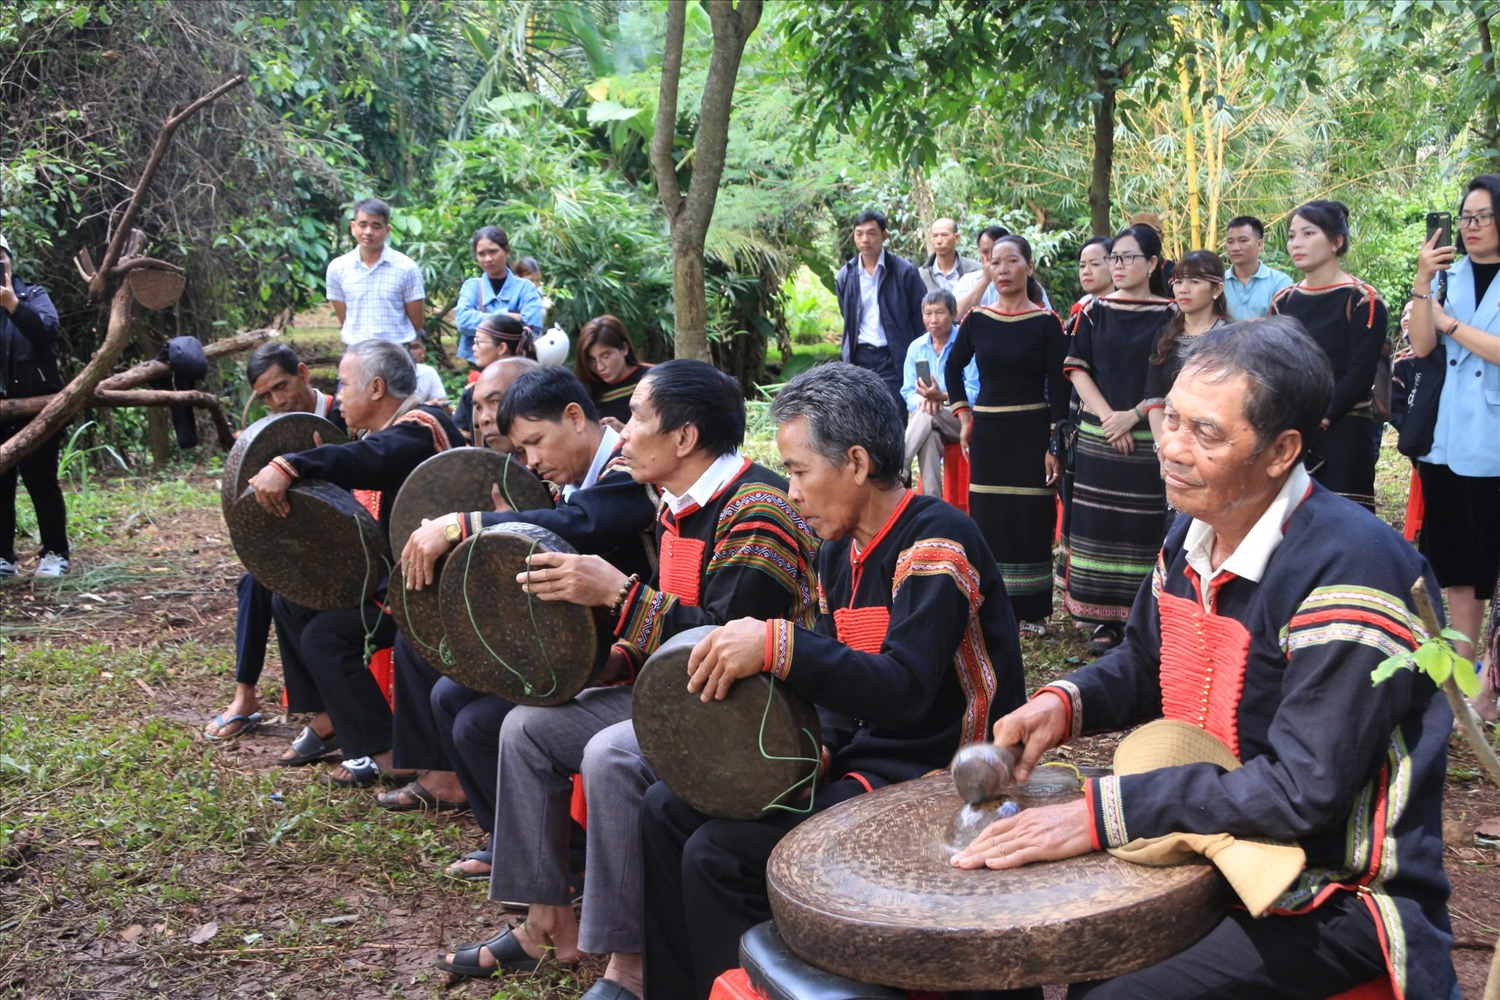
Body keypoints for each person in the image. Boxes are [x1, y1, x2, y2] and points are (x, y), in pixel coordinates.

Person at [953, 318, 1457, 1000]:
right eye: (1172, 421)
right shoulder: (1195, 529)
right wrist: (1061, 704)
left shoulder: (1350, 572)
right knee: (1053, 943)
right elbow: (1144, 660)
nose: (1172, 449)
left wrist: (1103, 812)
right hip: (1219, 848)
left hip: (1337, 891)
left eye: (1206, 433)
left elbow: (1300, 793)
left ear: (1282, 451)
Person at [640, 362, 1030, 1000]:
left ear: (854, 462)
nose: (789, 490)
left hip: (941, 773)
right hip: (866, 762)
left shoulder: (937, 540)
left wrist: (780, 643)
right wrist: (817, 747)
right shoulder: (834, 549)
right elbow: (844, 689)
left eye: (797, 471)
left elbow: (904, 691)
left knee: (719, 854)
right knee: (665, 810)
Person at [434, 360, 819, 1000]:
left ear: (684, 438)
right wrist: (618, 657)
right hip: (684, 694)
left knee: (611, 753)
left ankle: (630, 967)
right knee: (525, 729)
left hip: (752, 712)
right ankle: (546, 922)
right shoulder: (673, 506)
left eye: (638, 416)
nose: (624, 429)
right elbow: (676, 637)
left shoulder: (760, 509)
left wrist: (617, 593)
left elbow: (726, 640)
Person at [385, 364, 657, 823]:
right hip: (569, 640)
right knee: (450, 695)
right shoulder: (564, 479)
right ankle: (506, 838)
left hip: (629, 653)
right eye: (522, 449)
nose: (530, 460)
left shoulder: (629, 470)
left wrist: (463, 524)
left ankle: (561, 857)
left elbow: (584, 525)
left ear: (574, 417)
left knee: (476, 723)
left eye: (535, 442)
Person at [249, 340, 464, 786]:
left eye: (345, 384)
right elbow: (362, 468)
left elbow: (373, 459)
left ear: (377, 388)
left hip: (433, 592)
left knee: (326, 637)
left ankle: (387, 751)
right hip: (394, 579)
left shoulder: (425, 425)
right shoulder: (382, 434)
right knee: (292, 600)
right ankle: (331, 718)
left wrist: (292, 464)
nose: (339, 395)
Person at [203, 342, 346, 740]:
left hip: (347, 543)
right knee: (254, 579)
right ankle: (244, 696)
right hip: (297, 539)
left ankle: (327, 707)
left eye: (281, 387)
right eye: (265, 396)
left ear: (303, 373)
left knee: (281, 587)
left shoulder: (344, 413)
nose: (277, 400)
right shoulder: (270, 432)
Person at [1410, 173, 1500, 721]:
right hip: (1447, 439)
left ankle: (1493, 673)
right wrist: (1424, 281)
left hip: (1493, 437)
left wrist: (1451, 324)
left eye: (1483, 216)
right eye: (1464, 217)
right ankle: (1467, 682)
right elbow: (1422, 343)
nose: (1470, 227)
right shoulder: (1447, 276)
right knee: (1460, 568)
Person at [1062, 224, 1174, 653]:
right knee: (1100, 525)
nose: (1119, 266)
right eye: (1115, 258)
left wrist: (1134, 416)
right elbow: (1076, 367)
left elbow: (1171, 374)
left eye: (1129, 258)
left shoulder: (1170, 314)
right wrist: (1110, 417)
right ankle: (1101, 621)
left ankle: (1143, 616)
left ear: (1152, 264)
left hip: (1152, 434)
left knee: (1144, 526)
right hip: (1099, 432)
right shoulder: (1093, 311)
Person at [947, 235, 1068, 631]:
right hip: (990, 433)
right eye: (995, 262)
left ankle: (1032, 609)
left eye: (1011, 261)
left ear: (1029, 267)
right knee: (990, 514)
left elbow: (1060, 385)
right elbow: (953, 368)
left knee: (1031, 516)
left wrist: (1055, 442)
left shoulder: (1048, 323)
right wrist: (965, 416)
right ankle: (989, 604)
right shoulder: (978, 319)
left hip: (1032, 431)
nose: (1002, 270)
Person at [1269, 200, 1389, 512]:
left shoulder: (1364, 300)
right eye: (1293, 235)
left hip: (1344, 426)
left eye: (1308, 233)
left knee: (1344, 518)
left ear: (1336, 242)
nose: (1297, 243)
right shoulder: (1283, 301)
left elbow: (1359, 374)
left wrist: (1318, 419)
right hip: (1290, 425)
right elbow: (1272, 366)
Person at [0, 232, 65, 580]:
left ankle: (55, 552)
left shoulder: (33, 295)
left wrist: (13, 305)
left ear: (10, 260)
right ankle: (2, 558)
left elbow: (48, 331)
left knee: (42, 482)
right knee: (0, 484)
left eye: (0, 258)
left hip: (37, 408)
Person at [835, 210, 927, 407]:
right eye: (859, 233)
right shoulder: (846, 275)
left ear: (884, 235)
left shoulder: (904, 272)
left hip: (893, 355)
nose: (865, 239)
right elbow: (847, 314)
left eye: (871, 233)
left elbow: (919, 317)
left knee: (894, 413)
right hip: (858, 355)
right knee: (861, 414)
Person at [1144, 249, 1230, 443]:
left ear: (1217, 289)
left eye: (1194, 282)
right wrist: (1162, 447)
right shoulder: (1164, 335)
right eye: (1178, 281)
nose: (1183, 289)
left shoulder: (1232, 338)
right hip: (1171, 439)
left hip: (1214, 442)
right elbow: (1155, 398)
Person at [899, 288, 979, 497]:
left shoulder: (966, 343)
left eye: (940, 313)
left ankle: (898, 466)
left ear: (953, 314)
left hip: (963, 419)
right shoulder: (916, 347)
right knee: (930, 437)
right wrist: (924, 400)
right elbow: (908, 391)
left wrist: (940, 397)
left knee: (927, 415)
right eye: (928, 313)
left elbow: (975, 392)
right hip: (929, 415)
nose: (933, 319)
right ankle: (932, 502)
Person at [325, 197, 426, 345]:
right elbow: (345, 319)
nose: (368, 231)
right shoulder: (337, 268)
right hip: (356, 353)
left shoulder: (406, 268)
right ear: (353, 227)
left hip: (396, 352)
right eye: (362, 225)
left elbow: (416, 322)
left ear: (387, 230)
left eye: (376, 226)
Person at [454, 226, 544, 365]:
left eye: (493, 251)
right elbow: (463, 321)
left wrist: (481, 324)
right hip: (479, 367)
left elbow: (531, 329)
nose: (487, 258)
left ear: (506, 251)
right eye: (481, 254)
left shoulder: (526, 288)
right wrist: (508, 316)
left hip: (518, 366)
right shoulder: (471, 286)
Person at [453, 313, 536, 443]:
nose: (473, 347)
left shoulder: (531, 387)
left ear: (501, 348)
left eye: (478, 342)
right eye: (479, 407)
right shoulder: (474, 390)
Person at [575, 314, 650, 430]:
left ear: (624, 349)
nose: (600, 367)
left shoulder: (653, 378)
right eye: (592, 360)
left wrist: (625, 431)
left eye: (606, 356)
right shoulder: (586, 389)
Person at [1223, 215, 1293, 320]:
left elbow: (1284, 325)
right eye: (1230, 242)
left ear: (1259, 245)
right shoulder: (1218, 283)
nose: (1235, 248)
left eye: (1243, 240)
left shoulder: (1279, 282)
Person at [917, 217, 982, 293]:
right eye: (935, 236)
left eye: (944, 235)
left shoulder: (976, 270)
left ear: (956, 238)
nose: (939, 241)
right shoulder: (921, 275)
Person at [1071, 236, 1115, 316]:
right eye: (1082, 266)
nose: (1086, 272)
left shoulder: (1127, 308)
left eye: (1095, 264)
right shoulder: (1079, 309)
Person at [407, 335, 449, 409]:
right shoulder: (385, 375)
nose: (410, 353)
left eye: (415, 347)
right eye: (404, 347)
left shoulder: (428, 372)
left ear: (423, 352)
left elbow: (442, 405)